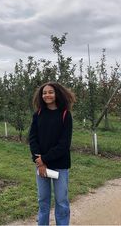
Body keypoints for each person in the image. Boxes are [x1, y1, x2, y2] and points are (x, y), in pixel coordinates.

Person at [29, 81, 75, 226]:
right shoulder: (38, 115)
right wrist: (39, 161)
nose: (47, 95)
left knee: (61, 201)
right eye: (44, 93)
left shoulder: (65, 115)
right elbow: (33, 139)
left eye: (50, 92)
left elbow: (64, 144)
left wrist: (44, 160)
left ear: (57, 94)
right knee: (43, 201)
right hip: (41, 165)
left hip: (60, 165)